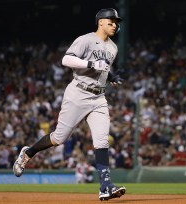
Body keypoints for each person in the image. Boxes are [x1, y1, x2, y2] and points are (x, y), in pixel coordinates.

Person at [13, 8, 126, 201]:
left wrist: (110, 77)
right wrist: (91, 64)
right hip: (78, 93)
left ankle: (105, 186)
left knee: (102, 140)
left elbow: (102, 70)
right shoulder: (86, 39)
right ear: (100, 22)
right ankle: (28, 152)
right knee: (59, 137)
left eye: (116, 22)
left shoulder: (113, 48)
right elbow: (66, 59)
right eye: (111, 21)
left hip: (99, 98)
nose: (115, 24)